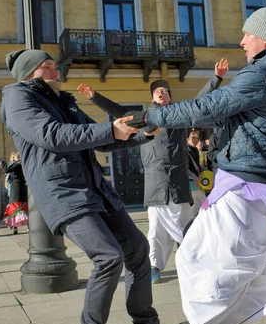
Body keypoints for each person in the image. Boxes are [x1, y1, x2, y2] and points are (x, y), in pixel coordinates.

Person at [123, 7, 266, 324]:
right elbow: (217, 112)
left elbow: (206, 107)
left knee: (201, 258)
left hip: (243, 184)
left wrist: (150, 116)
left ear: (265, 39)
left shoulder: (263, 74)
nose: (243, 41)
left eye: (248, 34)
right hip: (249, 180)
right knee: (217, 257)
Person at [0, 49, 188, 324]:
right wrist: (110, 130)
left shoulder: (64, 100)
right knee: (108, 256)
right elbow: (53, 136)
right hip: (63, 194)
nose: (55, 69)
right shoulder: (18, 99)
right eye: (47, 66)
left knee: (138, 249)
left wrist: (139, 132)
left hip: (95, 190)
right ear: (30, 73)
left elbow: (99, 140)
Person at [78, 61, 228, 284]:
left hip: (177, 182)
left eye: (166, 91)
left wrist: (215, 78)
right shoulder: (145, 118)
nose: (162, 92)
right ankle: (156, 267)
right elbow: (118, 111)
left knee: (185, 223)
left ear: (170, 98)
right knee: (157, 229)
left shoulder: (181, 115)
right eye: (158, 91)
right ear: (152, 98)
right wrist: (94, 97)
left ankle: (197, 260)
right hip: (155, 183)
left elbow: (199, 101)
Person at [1, 152, 29, 234]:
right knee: (20, 207)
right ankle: (16, 226)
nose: (13, 159)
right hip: (17, 188)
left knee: (15, 207)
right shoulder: (20, 164)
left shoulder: (18, 164)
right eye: (12, 157)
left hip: (17, 188)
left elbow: (7, 170)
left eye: (14, 157)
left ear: (17, 158)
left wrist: (3, 164)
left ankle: (16, 226)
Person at [187, 130, 206, 216]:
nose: (197, 142)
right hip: (192, 181)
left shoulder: (194, 149)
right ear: (191, 138)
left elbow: (197, 165)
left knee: (198, 206)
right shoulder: (185, 150)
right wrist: (195, 177)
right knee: (204, 205)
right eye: (195, 140)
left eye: (198, 140)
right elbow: (185, 168)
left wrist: (205, 170)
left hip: (196, 180)